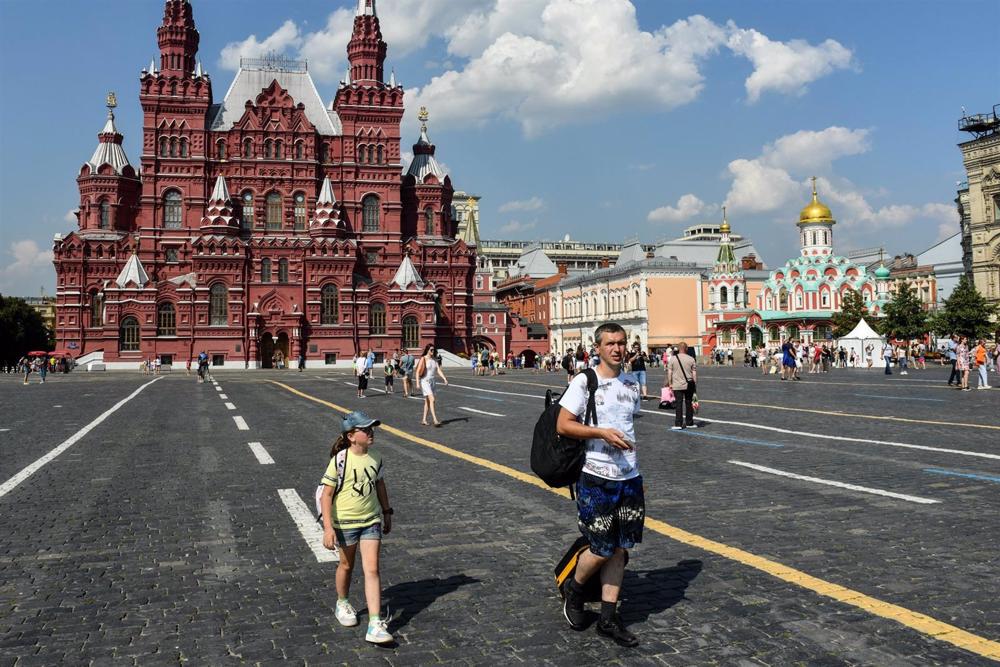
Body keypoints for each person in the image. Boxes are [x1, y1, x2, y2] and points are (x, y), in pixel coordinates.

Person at [556, 322, 643, 647]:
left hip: (629, 478)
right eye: (611, 344)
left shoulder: (632, 383)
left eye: (621, 343)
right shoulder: (585, 381)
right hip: (595, 477)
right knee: (601, 547)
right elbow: (563, 425)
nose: (618, 349)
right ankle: (575, 593)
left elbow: (628, 426)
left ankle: (608, 618)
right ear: (598, 348)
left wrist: (635, 472)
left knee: (620, 549)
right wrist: (600, 433)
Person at [319, 411, 394, 645]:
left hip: (370, 520)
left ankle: (374, 622)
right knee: (347, 565)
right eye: (366, 429)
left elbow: (380, 485)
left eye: (372, 428)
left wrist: (387, 512)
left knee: (372, 569)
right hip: (345, 523)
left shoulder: (377, 457)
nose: (371, 432)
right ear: (351, 436)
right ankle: (342, 602)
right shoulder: (340, 460)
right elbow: (326, 495)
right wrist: (328, 528)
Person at [666, 342, 698, 430]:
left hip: (677, 385)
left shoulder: (672, 359)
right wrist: (695, 384)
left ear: (678, 349)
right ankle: (689, 423)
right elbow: (694, 373)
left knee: (678, 404)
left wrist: (670, 383)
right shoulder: (691, 359)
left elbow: (669, 372)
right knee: (688, 403)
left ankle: (678, 424)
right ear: (686, 348)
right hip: (689, 384)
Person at [415, 344, 448, 426]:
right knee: (432, 399)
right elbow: (417, 371)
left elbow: (438, 370)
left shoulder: (434, 359)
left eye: (433, 350)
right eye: (431, 350)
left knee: (427, 401)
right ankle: (435, 420)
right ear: (427, 350)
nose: (433, 351)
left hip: (433, 382)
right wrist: (417, 383)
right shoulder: (423, 358)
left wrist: (444, 378)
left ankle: (424, 420)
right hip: (425, 381)